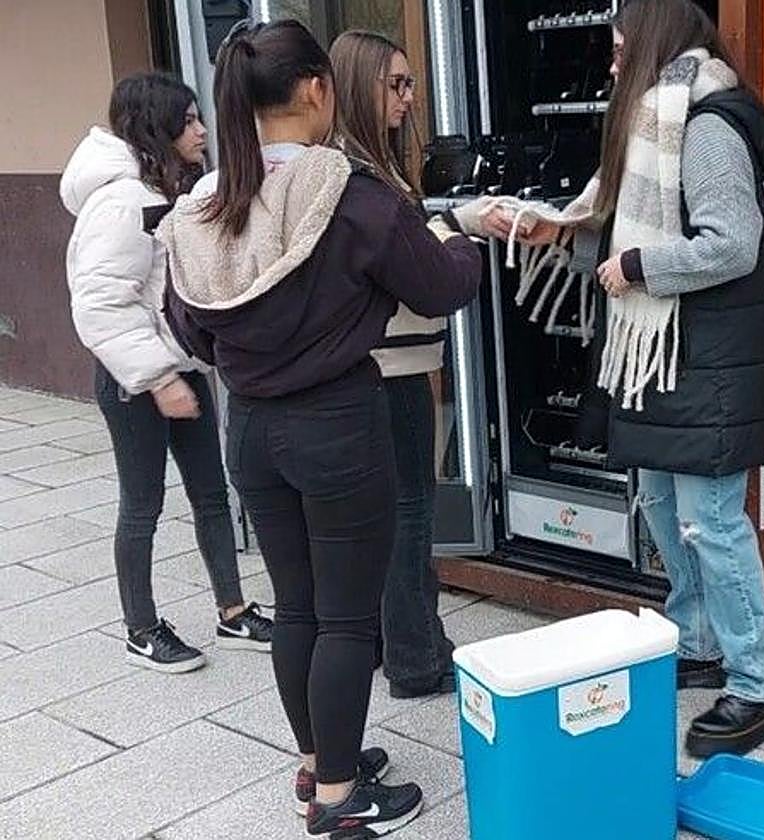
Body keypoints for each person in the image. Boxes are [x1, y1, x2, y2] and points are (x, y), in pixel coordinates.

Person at [157, 21, 492, 837]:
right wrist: (464, 235)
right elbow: (440, 285)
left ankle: (318, 760)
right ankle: (341, 799)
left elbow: (191, 331)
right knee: (346, 618)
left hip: (253, 432)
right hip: (339, 424)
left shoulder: (204, 205)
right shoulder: (346, 194)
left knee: (298, 608)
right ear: (317, 88)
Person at [513, 0, 764, 758]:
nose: (611, 59)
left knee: (711, 521)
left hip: (704, 357)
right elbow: (629, 213)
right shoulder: (661, 121)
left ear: (653, 44)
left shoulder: (703, 126)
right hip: (671, 356)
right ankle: (698, 643)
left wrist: (636, 266)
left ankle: (759, 686)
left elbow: (734, 243)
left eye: (619, 44)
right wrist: (565, 228)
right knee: (665, 504)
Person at [60, 73, 273, 675]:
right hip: (135, 381)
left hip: (178, 369)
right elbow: (101, 304)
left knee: (212, 494)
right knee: (143, 504)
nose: (201, 130)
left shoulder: (164, 188)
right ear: (156, 129)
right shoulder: (121, 201)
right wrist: (158, 378)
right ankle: (141, 628)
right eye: (187, 121)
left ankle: (233, 612)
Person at [330, 29, 457, 699]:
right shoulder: (368, 178)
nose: (410, 99)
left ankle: (402, 641)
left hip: (372, 367)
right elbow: (427, 279)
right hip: (397, 370)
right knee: (411, 513)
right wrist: (451, 235)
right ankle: (416, 657)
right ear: (359, 87)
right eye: (398, 85)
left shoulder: (348, 167)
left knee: (386, 518)